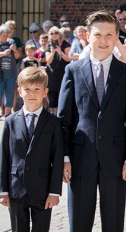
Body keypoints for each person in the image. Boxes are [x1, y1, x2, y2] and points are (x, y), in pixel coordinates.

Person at [58, 10, 126, 232]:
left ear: (116, 38)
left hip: (115, 159)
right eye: (97, 35)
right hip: (79, 158)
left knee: (113, 221)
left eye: (109, 35)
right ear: (87, 36)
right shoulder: (72, 71)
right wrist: (64, 157)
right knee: (79, 221)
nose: (103, 41)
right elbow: (64, 119)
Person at [0, 67, 64, 232]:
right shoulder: (10, 122)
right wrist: (3, 190)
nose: (32, 94)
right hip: (16, 190)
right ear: (19, 91)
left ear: (45, 92)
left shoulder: (53, 123)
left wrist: (54, 192)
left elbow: (57, 159)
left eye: (37, 89)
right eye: (27, 89)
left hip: (42, 191)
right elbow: (4, 157)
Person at [45, 26, 71, 116]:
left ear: (59, 34)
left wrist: (60, 52)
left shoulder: (65, 44)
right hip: (52, 73)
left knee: (62, 92)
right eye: (52, 33)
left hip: (62, 72)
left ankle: (62, 113)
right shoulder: (49, 45)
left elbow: (69, 59)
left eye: (56, 33)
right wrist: (52, 53)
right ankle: (53, 114)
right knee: (52, 93)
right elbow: (48, 61)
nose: (54, 35)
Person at [0, 24, 20, 117]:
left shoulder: (12, 42)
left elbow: (17, 57)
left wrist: (15, 50)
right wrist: (4, 53)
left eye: (6, 35)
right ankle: (1, 111)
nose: (5, 37)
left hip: (11, 73)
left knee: (10, 93)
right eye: (3, 35)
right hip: (1, 74)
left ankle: (7, 113)